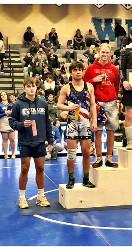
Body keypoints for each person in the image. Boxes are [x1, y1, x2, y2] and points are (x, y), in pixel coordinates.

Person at [9, 77, 54, 209]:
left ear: (36, 88)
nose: (31, 88)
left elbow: (47, 123)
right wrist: (22, 124)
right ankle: (22, 198)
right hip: (25, 142)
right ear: (24, 88)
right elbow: (12, 122)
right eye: (28, 86)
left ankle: (41, 196)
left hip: (40, 141)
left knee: (40, 168)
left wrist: (50, 140)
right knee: (24, 169)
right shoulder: (18, 104)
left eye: (33, 85)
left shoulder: (43, 104)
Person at [57, 61, 97, 189]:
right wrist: (68, 108)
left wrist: (94, 121)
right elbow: (59, 105)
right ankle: (71, 179)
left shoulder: (89, 86)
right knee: (71, 153)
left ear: (83, 71)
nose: (78, 72)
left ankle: (86, 179)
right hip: (72, 123)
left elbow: (92, 105)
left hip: (85, 123)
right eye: (75, 70)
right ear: (71, 72)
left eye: (80, 69)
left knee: (86, 152)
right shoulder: (66, 88)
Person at [83, 43, 120, 168]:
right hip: (96, 103)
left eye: (107, 53)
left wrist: (114, 97)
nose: (105, 55)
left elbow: (117, 85)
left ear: (110, 54)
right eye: (103, 52)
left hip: (111, 102)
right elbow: (83, 85)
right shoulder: (90, 68)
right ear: (98, 53)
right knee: (97, 130)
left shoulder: (115, 69)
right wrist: (94, 80)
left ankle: (109, 158)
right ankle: (98, 158)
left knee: (111, 130)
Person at [0, 91, 16, 159]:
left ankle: (13, 154)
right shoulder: (0, 105)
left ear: (7, 95)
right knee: (5, 139)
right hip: (3, 121)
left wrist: (11, 113)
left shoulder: (12, 104)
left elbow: (16, 114)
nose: (3, 96)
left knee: (12, 139)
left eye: (4, 94)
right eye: (2, 95)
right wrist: (5, 113)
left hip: (11, 121)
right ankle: (5, 154)